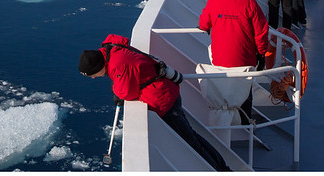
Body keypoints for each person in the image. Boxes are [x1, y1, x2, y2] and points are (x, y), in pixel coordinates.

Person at [79, 34, 230, 171]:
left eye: (92, 75)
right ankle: (222, 166)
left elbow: (126, 92)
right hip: (168, 91)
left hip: (163, 100)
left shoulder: (119, 64)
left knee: (191, 142)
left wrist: (116, 91)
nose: (93, 78)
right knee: (192, 137)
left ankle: (220, 170)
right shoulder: (111, 49)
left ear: (99, 67)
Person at [198, 0, 271, 122]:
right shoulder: (250, 4)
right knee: (244, 90)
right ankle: (244, 123)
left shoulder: (213, 2)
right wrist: (261, 53)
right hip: (245, 60)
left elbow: (204, 24)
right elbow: (261, 32)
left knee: (223, 87)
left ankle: (221, 120)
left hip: (220, 60)